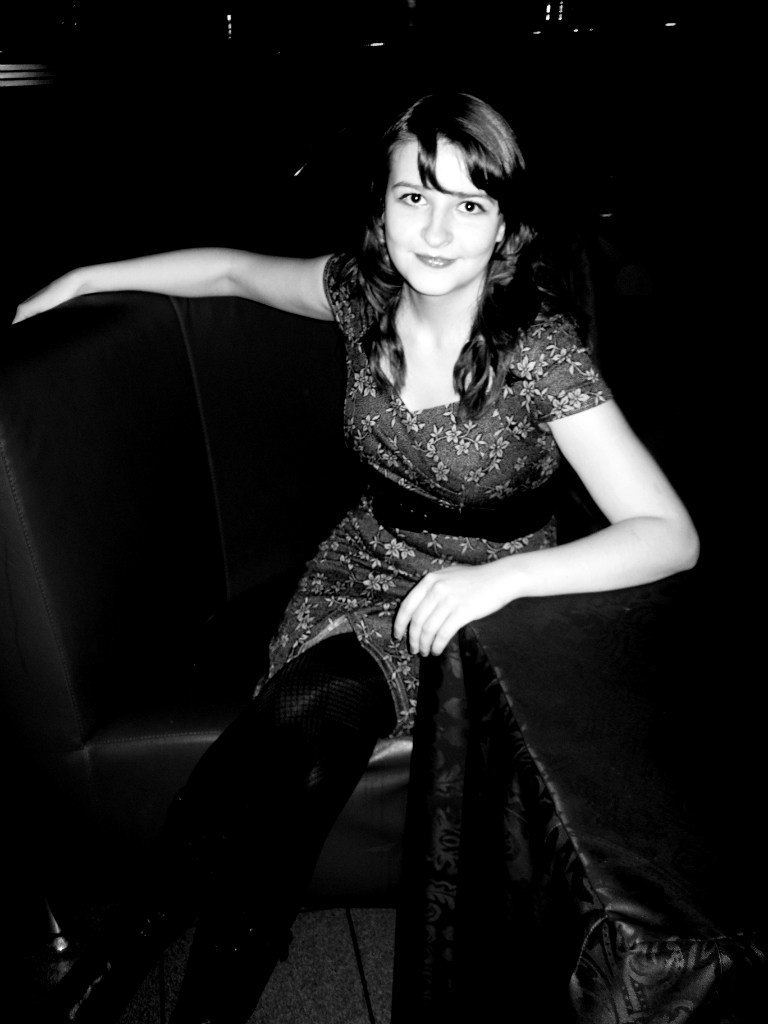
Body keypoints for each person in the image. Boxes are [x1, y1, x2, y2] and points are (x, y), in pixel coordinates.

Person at [14, 92, 699, 1024]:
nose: (436, 231)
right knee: (292, 753)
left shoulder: (537, 349)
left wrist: (499, 579)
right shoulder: (361, 297)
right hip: (362, 563)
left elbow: (668, 533)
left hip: (487, 602)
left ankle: (127, 967)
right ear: (381, 204)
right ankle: (170, 976)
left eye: (469, 204)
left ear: (505, 226)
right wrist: (83, 277)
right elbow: (230, 270)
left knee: (304, 720)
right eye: (414, 197)